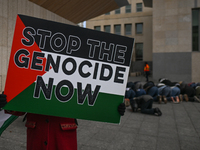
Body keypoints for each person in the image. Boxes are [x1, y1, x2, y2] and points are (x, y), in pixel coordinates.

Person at [0, 92, 125, 150]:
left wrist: (112, 108)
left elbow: (91, 99)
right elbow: (20, 106)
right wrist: (8, 103)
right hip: (37, 134)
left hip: (63, 137)